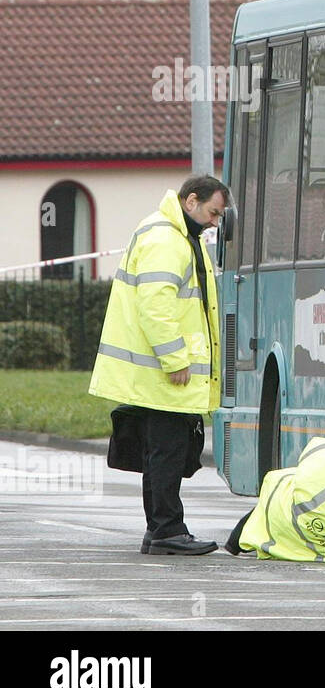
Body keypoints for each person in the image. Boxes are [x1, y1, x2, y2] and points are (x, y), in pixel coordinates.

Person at [90, 175, 229, 555]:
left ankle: (160, 529)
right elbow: (157, 306)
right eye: (213, 212)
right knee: (167, 451)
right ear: (191, 202)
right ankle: (168, 529)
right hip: (164, 371)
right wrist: (175, 359)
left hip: (157, 370)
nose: (215, 222)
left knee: (162, 452)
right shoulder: (167, 239)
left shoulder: (172, 234)